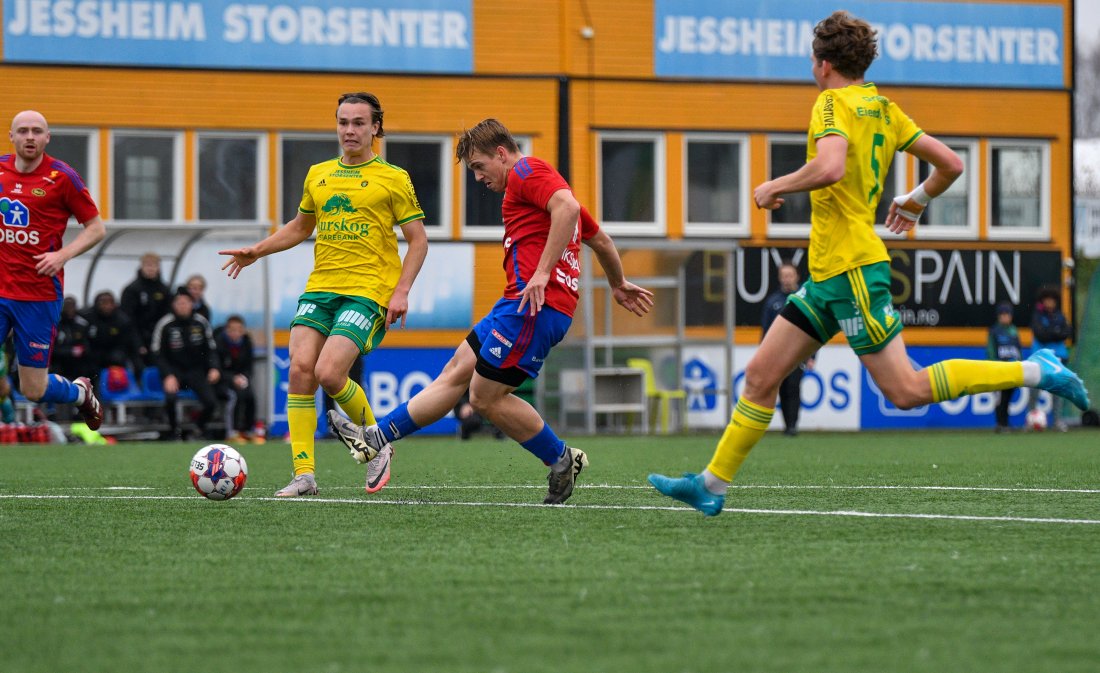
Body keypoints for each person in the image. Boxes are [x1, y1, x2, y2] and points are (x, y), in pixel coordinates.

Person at [648, 11, 1091, 516]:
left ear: (824, 64)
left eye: (813, 59)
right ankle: (711, 484)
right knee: (760, 377)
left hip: (853, 268)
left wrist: (775, 185)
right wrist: (918, 200)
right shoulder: (883, 108)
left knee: (906, 389)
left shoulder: (831, 103)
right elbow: (952, 163)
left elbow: (831, 165)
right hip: (827, 276)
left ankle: (1037, 370)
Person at [328, 118, 655, 504]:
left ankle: (560, 458)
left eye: (479, 167)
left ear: (501, 153)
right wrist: (617, 283)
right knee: (456, 370)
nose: (479, 178)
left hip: (535, 307)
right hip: (516, 304)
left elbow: (567, 208)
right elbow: (597, 237)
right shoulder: (535, 185)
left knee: (483, 398)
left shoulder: (525, 171)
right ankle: (376, 438)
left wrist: (543, 272)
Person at [220, 91, 428, 497]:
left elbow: (418, 241)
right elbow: (300, 227)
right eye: (343, 122)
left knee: (330, 373)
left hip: (368, 290)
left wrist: (401, 291)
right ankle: (304, 476)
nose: (349, 130)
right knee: (299, 370)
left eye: (358, 123)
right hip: (321, 286)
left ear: (375, 128)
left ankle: (378, 443)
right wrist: (256, 251)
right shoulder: (318, 173)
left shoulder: (393, 177)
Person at [0, 110, 105, 430]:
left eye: (36, 131)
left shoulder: (62, 178)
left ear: (47, 138)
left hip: (39, 295)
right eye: (23, 131)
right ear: (12, 136)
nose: (29, 136)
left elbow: (96, 228)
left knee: (33, 389)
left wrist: (63, 255)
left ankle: (80, 393)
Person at [150, 289, 221, 440]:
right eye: (179, 303)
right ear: (174, 305)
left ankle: (197, 429)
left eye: (185, 302)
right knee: (170, 399)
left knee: (211, 402)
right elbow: (157, 354)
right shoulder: (165, 324)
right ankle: (174, 432)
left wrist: (214, 367)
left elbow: (211, 349)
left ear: (192, 304)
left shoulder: (201, 322)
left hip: (196, 371)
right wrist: (168, 375)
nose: (182, 306)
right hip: (174, 371)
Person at [761, 261, 814, 436]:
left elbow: (815, 328)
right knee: (782, 389)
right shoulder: (773, 302)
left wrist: (813, 356)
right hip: (777, 354)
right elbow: (766, 330)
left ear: (797, 276)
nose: (787, 279)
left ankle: (792, 425)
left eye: (790, 275)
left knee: (793, 386)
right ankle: (787, 425)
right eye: (784, 275)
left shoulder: (805, 299)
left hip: (798, 352)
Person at [1029, 286, 1073, 432]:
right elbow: (1041, 334)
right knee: (1034, 388)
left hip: (1058, 357)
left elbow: (1067, 332)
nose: (1049, 303)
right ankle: (1031, 419)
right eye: (1047, 300)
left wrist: (1053, 333)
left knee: (1058, 390)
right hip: (1040, 358)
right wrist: (1055, 333)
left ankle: (1057, 421)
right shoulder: (1038, 316)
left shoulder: (1060, 315)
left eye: (1052, 300)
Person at [120, 252, 172, 364]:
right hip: (138, 336)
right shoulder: (132, 289)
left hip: (158, 335)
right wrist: (137, 343)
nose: (151, 269)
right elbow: (128, 319)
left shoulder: (164, 289)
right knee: (140, 366)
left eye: (154, 265)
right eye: (148, 265)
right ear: (142, 266)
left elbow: (168, 315)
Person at [215, 315, 259, 443]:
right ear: (227, 330)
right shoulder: (219, 343)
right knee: (234, 397)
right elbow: (217, 368)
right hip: (223, 382)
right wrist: (232, 378)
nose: (236, 333)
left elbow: (249, 366)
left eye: (239, 330)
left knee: (250, 396)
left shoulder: (247, 342)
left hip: (240, 380)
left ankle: (249, 430)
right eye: (232, 330)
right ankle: (232, 432)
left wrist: (244, 377)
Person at [84, 291, 145, 377]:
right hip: (93, 353)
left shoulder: (122, 320)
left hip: (113, 354)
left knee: (120, 358)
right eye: (103, 303)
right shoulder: (87, 317)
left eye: (110, 303)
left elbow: (129, 339)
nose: (107, 306)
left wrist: (139, 346)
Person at [988, 301, 1022, 433]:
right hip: (999, 369)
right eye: (1002, 314)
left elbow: (1018, 349)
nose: (1005, 317)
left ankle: (1005, 423)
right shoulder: (995, 331)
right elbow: (991, 349)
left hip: (1012, 369)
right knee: (999, 398)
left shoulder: (1013, 330)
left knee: (1007, 398)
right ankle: (1000, 423)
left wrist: (1020, 364)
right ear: (998, 316)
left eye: (1007, 314)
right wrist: (993, 364)